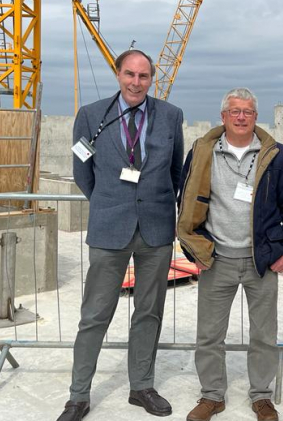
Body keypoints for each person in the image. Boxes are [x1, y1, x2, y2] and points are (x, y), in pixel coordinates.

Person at [58, 50, 184, 421]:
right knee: (95, 314)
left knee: (149, 312)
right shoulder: (91, 115)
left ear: (151, 79)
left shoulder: (171, 115)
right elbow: (83, 171)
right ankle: (78, 396)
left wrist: (155, 203)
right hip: (108, 227)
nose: (136, 82)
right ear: (118, 74)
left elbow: (175, 170)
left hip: (156, 229)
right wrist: (107, 201)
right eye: (129, 74)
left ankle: (141, 386)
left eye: (144, 76)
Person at [177, 88, 283, 421]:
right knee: (209, 335)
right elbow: (187, 197)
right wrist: (194, 245)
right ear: (223, 116)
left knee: (264, 334)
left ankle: (262, 396)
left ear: (255, 116)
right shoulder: (204, 151)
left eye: (248, 111)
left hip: (261, 258)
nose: (241, 117)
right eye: (234, 111)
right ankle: (212, 396)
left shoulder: (275, 154)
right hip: (216, 257)